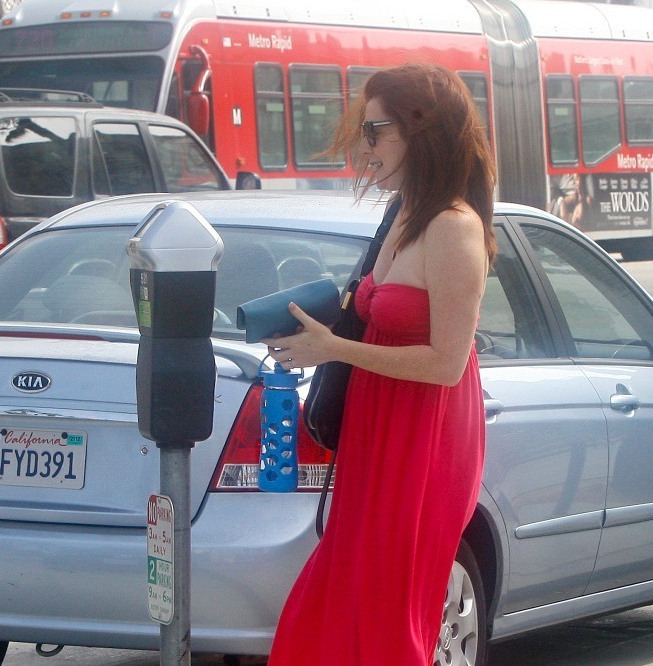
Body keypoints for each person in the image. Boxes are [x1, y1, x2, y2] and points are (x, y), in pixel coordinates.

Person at [263, 62, 496, 665]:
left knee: (387, 614)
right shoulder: (401, 215)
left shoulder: (453, 228)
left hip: (423, 442)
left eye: (375, 131)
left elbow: (446, 364)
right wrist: (311, 330)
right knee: (338, 603)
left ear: (421, 132)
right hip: (377, 429)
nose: (364, 147)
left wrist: (334, 349)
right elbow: (371, 313)